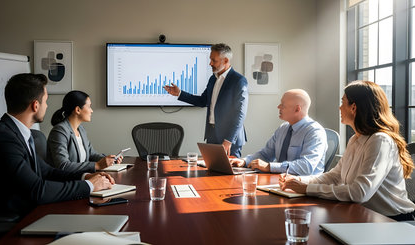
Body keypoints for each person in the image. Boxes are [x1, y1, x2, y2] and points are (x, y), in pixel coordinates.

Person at [0, 73, 114, 217]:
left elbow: (47, 172)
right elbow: (38, 190)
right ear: (35, 105)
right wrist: (89, 186)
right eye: (45, 101)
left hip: (26, 212)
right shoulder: (4, 138)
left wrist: (86, 177)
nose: (46, 106)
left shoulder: (19, 133)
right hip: (9, 222)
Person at [280, 81, 415, 221]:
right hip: (365, 215)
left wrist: (307, 189)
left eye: (343, 102)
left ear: (353, 107)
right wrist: (299, 180)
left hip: (392, 220)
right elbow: (334, 176)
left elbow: (359, 192)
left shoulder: (380, 141)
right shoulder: (355, 139)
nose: (339, 107)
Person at [164, 43, 248, 157]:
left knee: (230, 173)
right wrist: (179, 93)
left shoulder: (238, 81)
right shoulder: (213, 79)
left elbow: (240, 114)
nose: (210, 63)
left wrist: (228, 140)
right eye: (210, 59)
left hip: (229, 140)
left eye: (214, 60)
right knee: (211, 171)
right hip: (212, 136)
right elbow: (203, 101)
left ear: (226, 60)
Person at [230, 89, 327, 175]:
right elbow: (266, 154)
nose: (278, 107)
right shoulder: (283, 128)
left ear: (297, 109)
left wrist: (269, 167)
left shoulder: (315, 132)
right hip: (281, 183)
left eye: (283, 105)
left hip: (304, 187)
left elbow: (306, 167)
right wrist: (244, 161)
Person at [47, 90, 121, 172]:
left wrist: (109, 159)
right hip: (65, 182)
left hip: (80, 177)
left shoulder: (81, 130)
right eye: (89, 106)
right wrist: (97, 165)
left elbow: (91, 154)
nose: (91, 111)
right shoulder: (59, 131)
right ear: (78, 110)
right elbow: (63, 165)